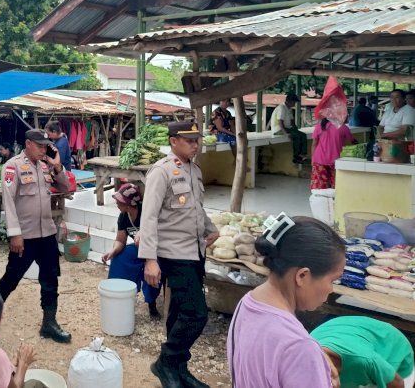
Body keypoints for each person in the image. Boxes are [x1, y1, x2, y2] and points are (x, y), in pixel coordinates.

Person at [140, 121, 219, 388]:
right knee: (197, 314)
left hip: (195, 250)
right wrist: (150, 259)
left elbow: (196, 208)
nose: (195, 145)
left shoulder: (194, 170)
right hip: (173, 252)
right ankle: (166, 361)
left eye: (197, 140)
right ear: (174, 141)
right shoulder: (161, 172)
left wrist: (211, 228)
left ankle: (178, 369)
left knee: (178, 311)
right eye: (189, 140)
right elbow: (148, 217)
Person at [227, 213, 346, 388]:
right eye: (332, 280)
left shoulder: (247, 304)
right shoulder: (299, 346)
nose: (331, 289)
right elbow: (293, 349)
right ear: (302, 276)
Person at [0, 129, 72, 343]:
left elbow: (65, 187)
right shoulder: (13, 166)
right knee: (11, 279)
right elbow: (8, 203)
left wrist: (57, 165)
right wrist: (14, 234)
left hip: (47, 233)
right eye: (40, 146)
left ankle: (49, 323)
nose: (43, 149)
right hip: (25, 236)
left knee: (50, 279)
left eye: (46, 146)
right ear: (28, 144)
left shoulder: (46, 166)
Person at [102, 183, 162, 319]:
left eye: (119, 201)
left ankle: (151, 303)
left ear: (128, 204)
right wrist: (113, 251)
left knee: (151, 269)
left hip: (155, 250)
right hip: (138, 248)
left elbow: (159, 230)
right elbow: (121, 241)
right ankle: (120, 294)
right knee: (119, 258)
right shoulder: (123, 216)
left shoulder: (146, 212)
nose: (116, 202)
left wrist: (144, 232)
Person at [311, 316, 414, 388]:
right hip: (350, 331)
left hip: (393, 351)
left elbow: (397, 383)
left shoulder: (364, 360)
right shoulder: (304, 350)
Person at [311, 118, 356, 190]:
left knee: (320, 188)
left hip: (319, 160)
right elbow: (353, 141)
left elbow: (314, 144)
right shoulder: (343, 127)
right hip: (336, 161)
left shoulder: (319, 126)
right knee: (336, 187)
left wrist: (313, 160)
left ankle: (322, 201)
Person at [271, 93, 308, 163]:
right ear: (289, 101)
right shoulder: (282, 108)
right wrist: (286, 134)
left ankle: (302, 154)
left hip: (287, 128)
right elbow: (280, 122)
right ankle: (296, 156)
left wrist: (296, 130)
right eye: (294, 102)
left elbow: (292, 121)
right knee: (296, 136)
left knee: (303, 135)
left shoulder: (289, 109)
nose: (294, 104)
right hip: (279, 129)